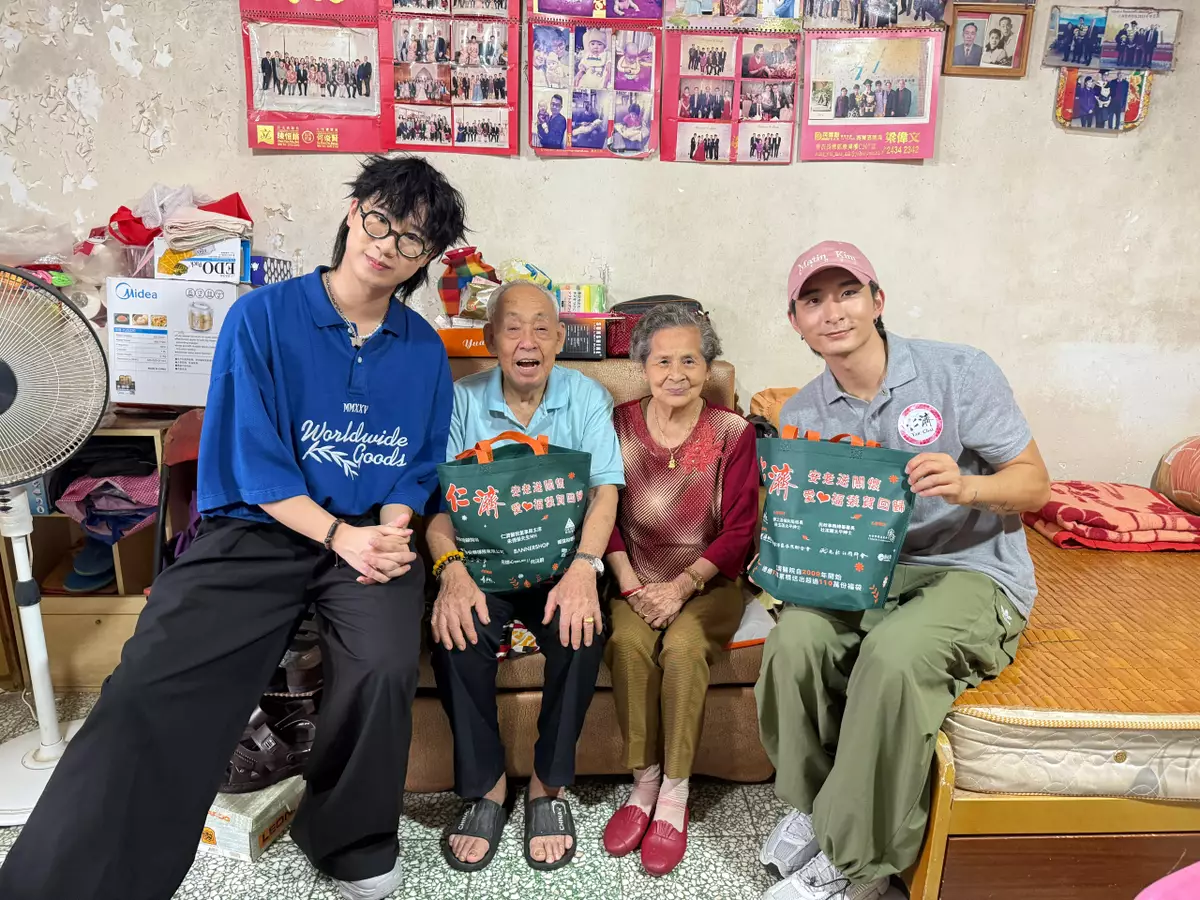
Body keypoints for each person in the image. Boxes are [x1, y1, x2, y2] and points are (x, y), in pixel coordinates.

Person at [0, 157, 468, 900]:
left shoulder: (422, 350)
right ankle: (69, 883)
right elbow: (256, 464)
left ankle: (348, 839)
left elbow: (417, 464)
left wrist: (390, 528)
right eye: (380, 219)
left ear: (426, 258)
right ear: (353, 212)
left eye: (411, 239)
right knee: (152, 680)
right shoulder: (262, 317)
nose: (387, 244)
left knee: (383, 665)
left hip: (364, 538)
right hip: (257, 528)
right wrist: (337, 537)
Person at [757, 241, 1050, 900]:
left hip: (971, 569)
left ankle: (858, 861)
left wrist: (967, 487)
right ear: (796, 322)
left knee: (893, 656)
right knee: (792, 642)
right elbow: (811, 526)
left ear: (878, 301)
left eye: (847, 293)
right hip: (866, 575)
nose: (833, 312)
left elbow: (1035, 485)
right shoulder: (802, 414)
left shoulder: (958, 372)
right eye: (813, 301)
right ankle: (817, 807)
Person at [429, 281, 623, 873]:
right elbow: (437, 505)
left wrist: (585, 568)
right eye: (513, 327)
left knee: (582, 632)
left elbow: (605, 492)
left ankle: (547, 786)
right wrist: (451, 572)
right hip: (483, 565)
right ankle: (486, 788)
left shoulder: (587, 397)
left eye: (542, 327)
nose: (528, 341)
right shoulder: (461, 400)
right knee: (455, 633)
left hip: (563, 564)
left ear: (560, 338)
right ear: (491, 338)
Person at [601, 306, 758, 877]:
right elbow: (601, 510)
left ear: (707, 367)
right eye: (662, 361)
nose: (676, 373)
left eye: (689, 360)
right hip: (634, 577)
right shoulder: (616, 424)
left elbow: (741, 529)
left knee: (685, 649)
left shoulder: (733, 433)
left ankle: (674, 792)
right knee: (626, 645)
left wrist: (684, 585)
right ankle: (643, 781)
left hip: (708, 580)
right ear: (642, 368)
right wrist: (630, 584)